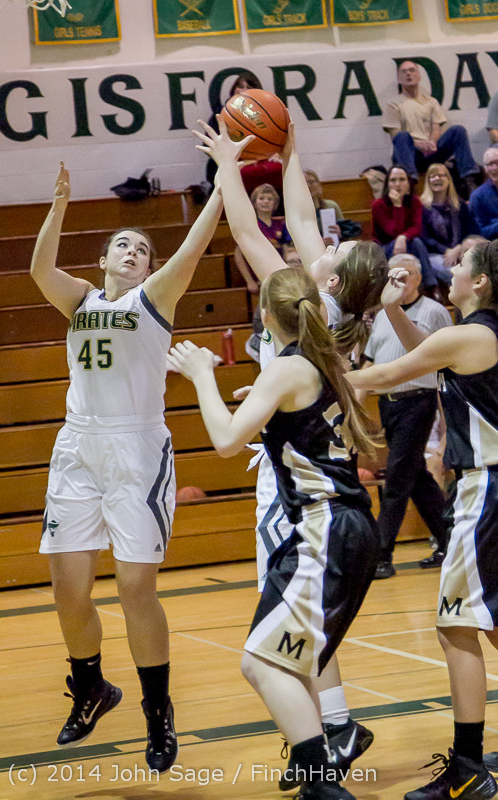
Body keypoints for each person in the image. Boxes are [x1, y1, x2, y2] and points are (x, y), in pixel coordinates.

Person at [194, 117, 384, 793]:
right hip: (306, 464)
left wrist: (229, 165)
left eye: (335, 249)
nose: (323, 243)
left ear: (336, 279)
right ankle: (326, 732)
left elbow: (252, 233)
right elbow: (301, 219)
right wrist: (289, 151)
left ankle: (325, 737)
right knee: (292, 620)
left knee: (277, 628)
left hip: (298, 488)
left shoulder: (314, 309)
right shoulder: (331, 309)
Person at [32, 163, 223, 771]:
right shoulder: (80, 299)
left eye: (141, 248)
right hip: (77, 449)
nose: (133, 251)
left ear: (147, 267)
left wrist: (225, 185)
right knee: (69, 592)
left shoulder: (154, 298)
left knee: (135, 588)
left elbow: (191, 250)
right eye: (123, 244)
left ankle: (157, 710)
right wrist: (59, 207)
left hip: (136, 450)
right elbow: (39, 270)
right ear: (104, 260)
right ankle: (91, 685)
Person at [167, 266, 380, 800]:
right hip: (337, 527)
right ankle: (322, 774)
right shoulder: (318, 359)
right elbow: (299, 420)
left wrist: (201, 375)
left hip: (326, 528)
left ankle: (324, 784)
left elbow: (225, 442)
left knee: (263, 665)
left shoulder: (286, 368)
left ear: (265, 315)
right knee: (275, 660)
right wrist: (265, 403)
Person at [346, 241, 498, 800]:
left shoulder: (473, 335)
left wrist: (294, 380)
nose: (449, 270)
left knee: (456, 625)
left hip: (487, 488)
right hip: (490, 485)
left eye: (459, 265)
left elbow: (389, 373)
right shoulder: (473, 335)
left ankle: (468, 768)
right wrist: (390, 308)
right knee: (491, 625)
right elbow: (426, 354)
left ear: (480, 283)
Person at [360, 253, 452, 579]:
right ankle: (450, 541)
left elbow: (448, 362)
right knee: (417, 478)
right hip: (388, 403)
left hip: (418, 401)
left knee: (397, 478)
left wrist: (448, 417)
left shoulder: (435, 312)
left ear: (417, 278)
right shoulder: (383, 315)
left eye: (403, 275)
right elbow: (369, 362)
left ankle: (381, 556)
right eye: (392, 275)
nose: (396, 281)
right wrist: (354, 406)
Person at [383, 60, 480, 195]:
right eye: (404, 72)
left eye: (412, 70)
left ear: (419, 75)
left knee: (458, 130)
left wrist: (432, 143)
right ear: (399, 79)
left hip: (432, 152)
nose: (408, 74)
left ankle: (469, 180)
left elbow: (436, 127)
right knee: (402, 136)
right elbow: (395, 136)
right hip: (410, 155)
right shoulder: (393, 104)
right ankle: (410, 183)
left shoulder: (431, 101)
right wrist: (420, 145)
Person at [372, 165, 439, 290]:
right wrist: (397, 205)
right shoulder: (378, 205)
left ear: (408, 184)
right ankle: (428, 285)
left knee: (417, 242)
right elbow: (392, 231)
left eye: (402, 180)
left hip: (409, 243)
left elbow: (416, 228)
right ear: (387, 184)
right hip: (385, 248)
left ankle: (431, 286)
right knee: (414, 243)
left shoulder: (415, 201)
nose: (397, 184)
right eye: (393, 180)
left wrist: (403, 237)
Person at [420, 163, 476, 285]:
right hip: (435, 254)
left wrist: (458, 248)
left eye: (441, 175)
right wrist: (447, 251)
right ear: (428, 181)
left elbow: (469, 230)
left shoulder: (460, 204)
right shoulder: (422, 207)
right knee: (455, 273)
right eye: (433, 176)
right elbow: (424, 238)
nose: (437, 179)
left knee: (476, 269)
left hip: (461, 249)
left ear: (449, 180)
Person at [234, 182, 291, 293]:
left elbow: (286, 249)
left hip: (278, 275)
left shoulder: (280, 225)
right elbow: (239, 253)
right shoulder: (250, 225)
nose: (266, 201)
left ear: (275, 204)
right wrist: (249, 281)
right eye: (261, 198)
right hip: (257, 276)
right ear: (254, 203)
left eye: (270, 199)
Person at [304, 168, 344, 247]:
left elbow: (346, 230)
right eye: (304, 183)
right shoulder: (296, 211)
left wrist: (340, 232)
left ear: (318, 184)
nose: (308, 186)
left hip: (332, 248)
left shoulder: (331, 206)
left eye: (311, 182)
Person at [469, 146, 498, 241]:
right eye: (490, 164)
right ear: (485, 168)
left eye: (497, 163)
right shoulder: (477, 196)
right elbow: (478, 232)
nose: (495, 168)